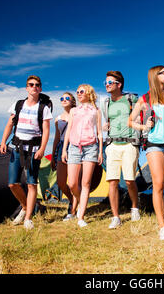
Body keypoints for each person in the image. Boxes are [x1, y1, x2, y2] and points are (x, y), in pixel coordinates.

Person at [128, 66, 164, 240]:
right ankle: (162, 227)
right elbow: (130, 121)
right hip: (154, 143)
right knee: (159, 183)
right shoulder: (144, 99)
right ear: (155, 76)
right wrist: (144, 126)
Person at [0, 75, 52, 230]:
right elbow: (9, 125)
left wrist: (42, 149)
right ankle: (24, 207)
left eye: (37, 85)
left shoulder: (44, 108)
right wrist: (3, 141)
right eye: (31, 84)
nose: (34, 87)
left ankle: (28, 218)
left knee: (31, 183)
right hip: (16, 148)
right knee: (12, 183)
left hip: (34, 150)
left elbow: (47, 131)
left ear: (40, 88)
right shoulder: (18, 105)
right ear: (27, 88)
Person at [101, 71, 140, 229]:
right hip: (112, 145)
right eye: (106, 82)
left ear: (119, 84)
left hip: (130, 143)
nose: (107, 85)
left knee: (130, 180)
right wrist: (106, 126)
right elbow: (108, 120)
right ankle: (115, 217)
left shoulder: (132, 99)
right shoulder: (105, 103)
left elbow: (143, 116)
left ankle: (135, 208)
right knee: (112, 181)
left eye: (110, 82)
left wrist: (142, 136)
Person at [61, 84, 103, 228]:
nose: (78, 94)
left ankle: (81, 217)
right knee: (72, 183)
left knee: (86, 183)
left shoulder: (96, 111)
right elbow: (68, 130)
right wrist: (64, 149)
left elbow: (99, 132)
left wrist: (100, 151)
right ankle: (78, 201)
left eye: (81, 92)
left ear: (89, 93)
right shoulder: (73, 111)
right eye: (77, 92)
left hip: (91, 148)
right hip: (74, 147)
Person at [50, 92, 79, 221]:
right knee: (61, 182)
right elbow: (57, 137)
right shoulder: (58, 119)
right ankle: (72, 199)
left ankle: (73, 209)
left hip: (75, 145)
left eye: (67, 98)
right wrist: (53, 155)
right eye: (61, 98)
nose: (64, 100)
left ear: (72, 100)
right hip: (62, 147)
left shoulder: (78, 114)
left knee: (75, 181)